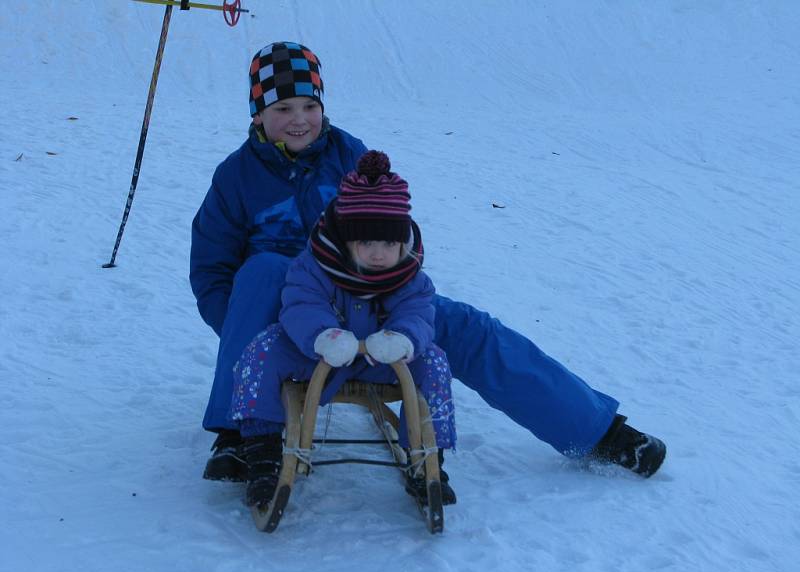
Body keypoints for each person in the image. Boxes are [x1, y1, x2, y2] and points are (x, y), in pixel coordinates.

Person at [189, 41, 666, 486]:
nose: (299, 121)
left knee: (469, 328)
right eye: (282, 109)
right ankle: (236, 430)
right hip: (288, 319)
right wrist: (246, 335)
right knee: (262, 270)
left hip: (369, 303)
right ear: (258, 113)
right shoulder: (236, 177)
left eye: (309, 106)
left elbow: (391, 230)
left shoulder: (351, 156)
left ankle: (597, 428)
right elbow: (212, 274)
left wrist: (401, 295)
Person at [227, 150, 457, 507]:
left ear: (404, 241)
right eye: (366, 243)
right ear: (345, 238)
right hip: (316, 354)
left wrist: (404, 338)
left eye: (389, 244)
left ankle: (428, 459)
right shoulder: (315, 266)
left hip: (383, 359)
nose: (379, 254)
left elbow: (418, 312)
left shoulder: (410, 277)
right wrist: (323, 334)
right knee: (262, 350)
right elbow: (301, 304)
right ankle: (262, 451)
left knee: (436, 362)